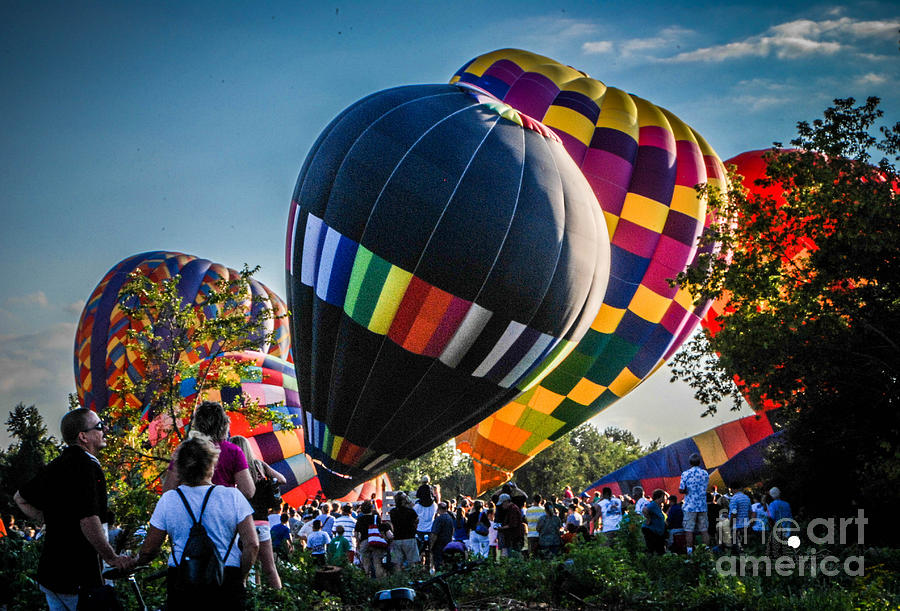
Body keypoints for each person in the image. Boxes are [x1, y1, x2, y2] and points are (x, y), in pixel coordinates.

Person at [15, 408, 134, 611]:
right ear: (83, 437)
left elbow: (20, 498)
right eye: (98, 426)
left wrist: (51, 520)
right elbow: (88, 520)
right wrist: (112, 557)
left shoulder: (56, 465)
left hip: (51, 573)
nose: (104, 429)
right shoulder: (87, 467)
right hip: (79, 576)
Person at [136, 434, 259, 610]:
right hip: (226, 578)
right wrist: (241, 575)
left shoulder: (168, 500)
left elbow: (149, 549)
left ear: (180, 468)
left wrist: (133, 562)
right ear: (212, 464)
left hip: (183, 580)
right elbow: (252, 544)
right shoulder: (232, 497)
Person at [164, 402, 255, 499]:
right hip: (222, 509)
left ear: (197, 424)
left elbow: (168, 490)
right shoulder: (234, 451)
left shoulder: (185, 450)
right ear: (225, 424)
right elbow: (248, 491)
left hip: (191, 509)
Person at [230, 435, 287, 589]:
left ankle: (245, 598)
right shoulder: (259, 466)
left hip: (241, 524)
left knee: (243, 568)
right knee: (269, 568)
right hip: (262, 522)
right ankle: (279, 599)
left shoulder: (234, 468)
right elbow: (282, 479)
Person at [679, 453, 710, 553]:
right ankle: (706, 552)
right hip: (702, 505)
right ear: (699, 462)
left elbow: (681, 489)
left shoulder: (685, 474)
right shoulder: (705, 474)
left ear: (690, 462)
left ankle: (690, 554)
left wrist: (686, 491)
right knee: (704, 529)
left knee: (689, 530)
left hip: (690, 506)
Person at [355, 500, 387, 578]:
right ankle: (380, 582)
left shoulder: (360, 519)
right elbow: (381, 530)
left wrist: (358, 544)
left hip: (364, 541)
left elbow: (356, 533)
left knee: (366, 563)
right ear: (371, 509)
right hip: (375, 541)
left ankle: (367, 580)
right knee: (377, 563)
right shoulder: (376, 517)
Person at [388, 493, 419, 570]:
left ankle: (399, 579)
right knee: (412, 562)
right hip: (409, 538)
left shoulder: (393, 512)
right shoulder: (411, 511)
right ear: (404, 500)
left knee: (397, 563)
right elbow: (417, 520)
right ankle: (413, 578)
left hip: (397, 538)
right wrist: (410, 504)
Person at [767, 487, 794, 558]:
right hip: (788, 527)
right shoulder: (786, 504)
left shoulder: (772, 505)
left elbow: (771, 517)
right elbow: (791, 518)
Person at [641, 489, 667, 555]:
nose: (665, 498)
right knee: (653, 549)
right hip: (651, 531)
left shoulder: (658, 506)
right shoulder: (653, 504)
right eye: (664, 497)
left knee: (660, 550)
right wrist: (648, 519)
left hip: (657, 531)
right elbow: (644, 510)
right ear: (659, 497)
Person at [498, 494, 524, 558]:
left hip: (515, 538)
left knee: (515, 556)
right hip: (512, 538)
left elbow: (513, 524)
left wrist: (501, 528)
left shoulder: (513, 509)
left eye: (502, 504)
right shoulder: (511, 509)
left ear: (506, 502)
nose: (502, 506)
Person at [430, 502, 455, 569]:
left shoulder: (439, 519)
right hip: (448, 543)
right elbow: (453, 530)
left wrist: (431, 545)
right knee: (446, 563)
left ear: (438, 509)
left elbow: (434, 534)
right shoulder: (450, 518)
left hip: (439, 545)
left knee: (438, 564)